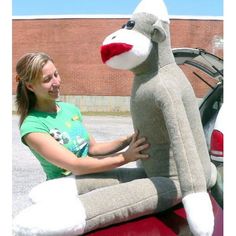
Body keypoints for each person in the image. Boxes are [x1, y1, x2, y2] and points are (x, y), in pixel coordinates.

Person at [15, 52, 149, 180]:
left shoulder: (70, 110)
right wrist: (125, 157)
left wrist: (128, 140)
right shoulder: (32, 127)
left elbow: (93, 149)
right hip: (64, 190)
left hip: (92, 180)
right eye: (47, 79)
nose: (56, 82)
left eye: (56, 74)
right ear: (30, 86)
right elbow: (75, 165)